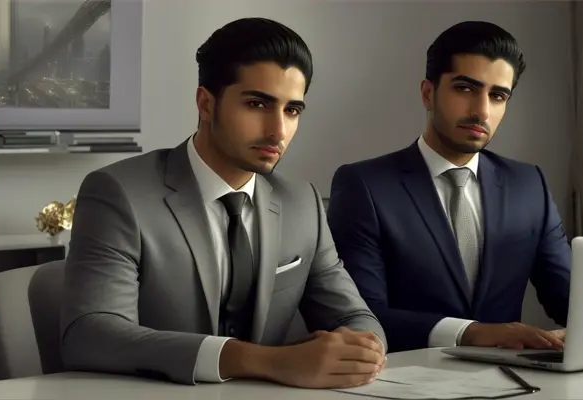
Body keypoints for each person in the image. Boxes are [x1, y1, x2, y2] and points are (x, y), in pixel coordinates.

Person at [60, 18, 386, 388]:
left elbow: (357, 317)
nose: (278, 131)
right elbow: (90, 335)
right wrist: (268, 361)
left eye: (292, 110)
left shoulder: (302, 203)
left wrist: (361, 350)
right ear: (206, 104)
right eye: (256, 103)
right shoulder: (119, 193)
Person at [326, 21, 571, 353]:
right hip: (405, 378)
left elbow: (570, 299)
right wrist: (472, 333)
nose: (481, 110)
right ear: (428, 94)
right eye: (465, 88)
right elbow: (359, 316)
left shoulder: (529, 185)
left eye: (498, 96)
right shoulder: (365, 186)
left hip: (515, 379)